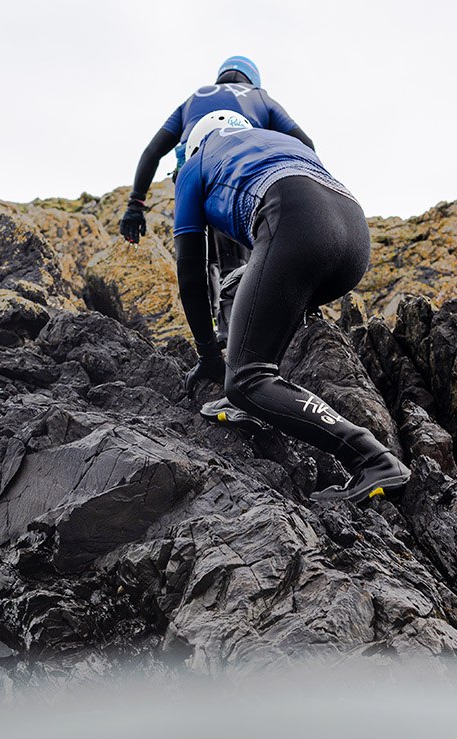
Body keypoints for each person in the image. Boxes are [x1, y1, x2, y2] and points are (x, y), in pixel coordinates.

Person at [173, 110, 411, 503]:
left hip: (293, 215)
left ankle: (370, 457)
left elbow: (192, 272)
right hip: (352, 235)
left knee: (248, 378)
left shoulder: (197, 162)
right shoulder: (278, 141)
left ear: (196, 142)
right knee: (243, 286)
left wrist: (208, 355)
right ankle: (248, 402)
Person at [119, 56, 315, 345]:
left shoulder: (194, 98)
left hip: (191, 176)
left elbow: (152, 151)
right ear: (252, 79)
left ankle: (215, 333)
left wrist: (135, 205)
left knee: (200, 257)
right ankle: (239, 333)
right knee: (236, 260)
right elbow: (305, 143)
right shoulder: (260, 97)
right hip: (238, 174)